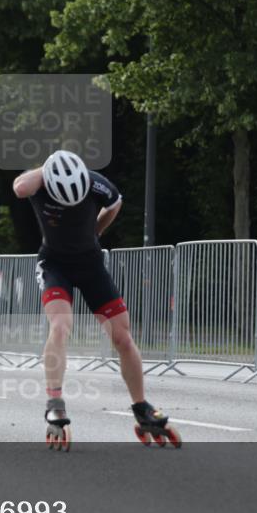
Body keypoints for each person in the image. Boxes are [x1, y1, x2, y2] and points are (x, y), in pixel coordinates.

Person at [12, 150, 180, 450]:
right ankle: (55, 401)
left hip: (90, 264)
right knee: (61, 326)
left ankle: (141, 407)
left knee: (122, 336)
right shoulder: (37, 183)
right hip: (54, 265)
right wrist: (45, 168)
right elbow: (19, 188)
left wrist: (96, 230)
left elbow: (115, 203)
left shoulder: (96, 184)